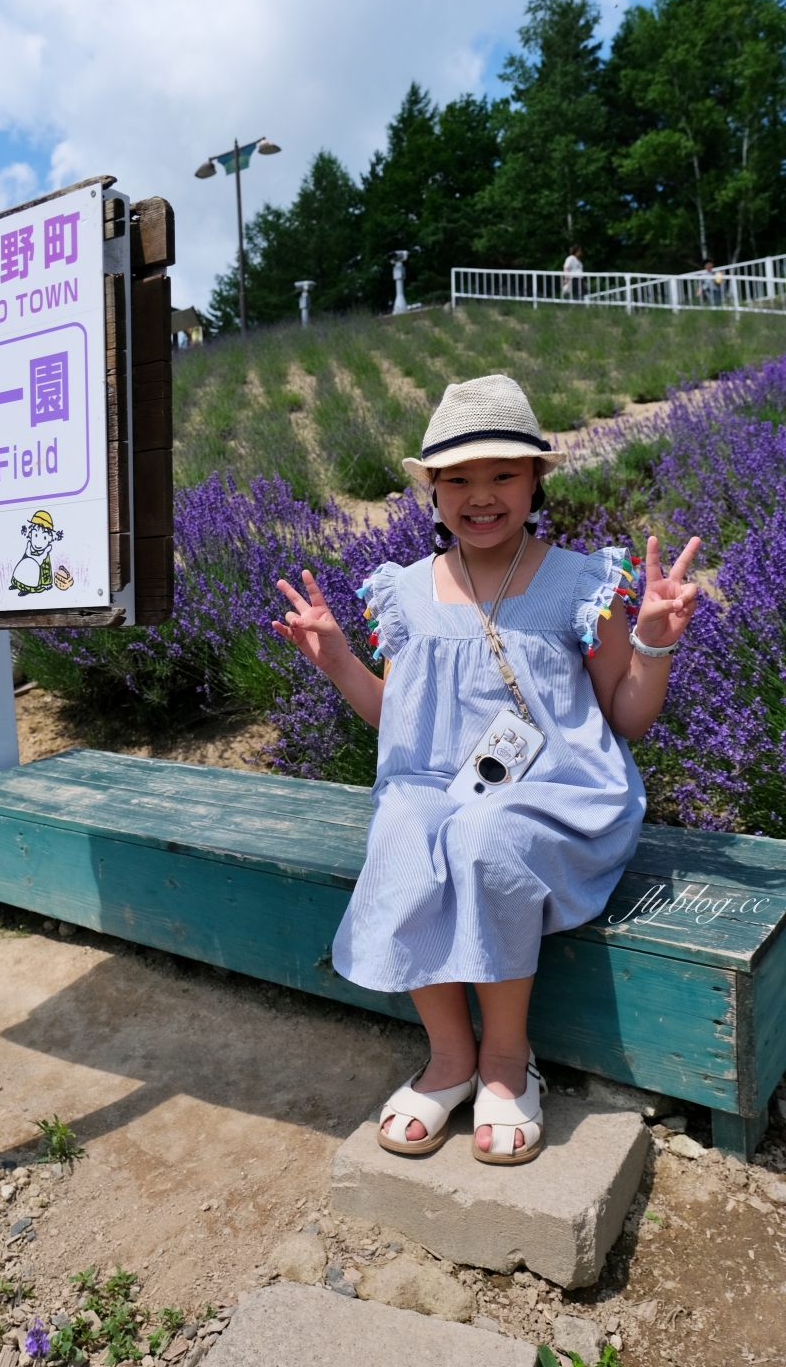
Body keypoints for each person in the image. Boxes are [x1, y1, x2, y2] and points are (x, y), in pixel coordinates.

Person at [273, 375, 699, 1166]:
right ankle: (450, 1055)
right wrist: (337, 662)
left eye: (502, 473)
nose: (481, 496)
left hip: (560, 795)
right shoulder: (404, 589)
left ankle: (507, 1060)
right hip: (438, 787)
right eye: (457, 479)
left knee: (482, 836)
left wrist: (651, 641)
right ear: (431, 491)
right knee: (404, 828)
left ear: (537, 479)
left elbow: (625, 716)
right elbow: (395, 719)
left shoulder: (583, 582)